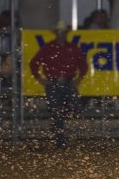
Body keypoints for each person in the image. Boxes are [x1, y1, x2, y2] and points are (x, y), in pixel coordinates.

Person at [29, 20, 88, 148]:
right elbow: (34, 63)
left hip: (64, 82)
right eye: (59, 32)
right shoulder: (51, 48)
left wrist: (78, 79)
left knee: (70, 108)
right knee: (61, 110)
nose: (61, 34)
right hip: (56, 83)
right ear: (56, 33)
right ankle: (60, 139)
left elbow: (83, 65)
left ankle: (59, 128)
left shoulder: (67, 48)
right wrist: (40, 78)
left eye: (63, 32)